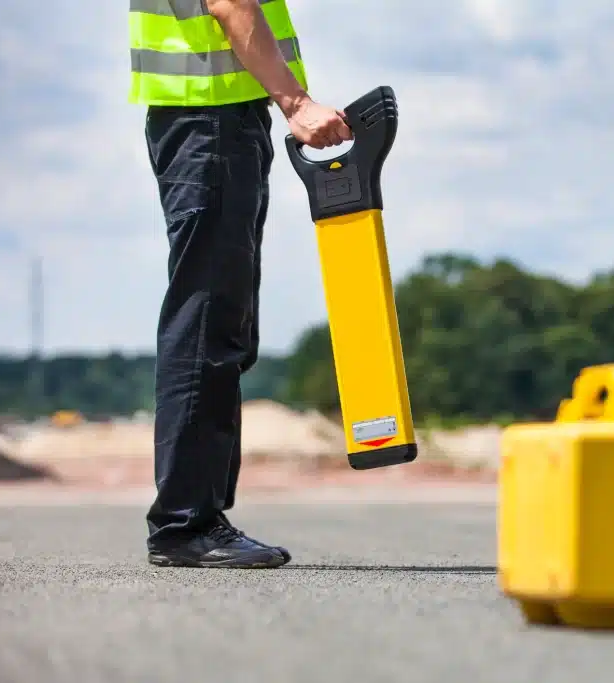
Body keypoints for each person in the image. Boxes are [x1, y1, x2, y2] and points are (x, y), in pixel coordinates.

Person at [129, 0, 352, 568]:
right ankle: (185, 524)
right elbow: (231, 4)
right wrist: (296, 102)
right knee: (207, 320)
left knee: (221, 321)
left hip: (211, 120)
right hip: (210, 120)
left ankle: (198, 517)